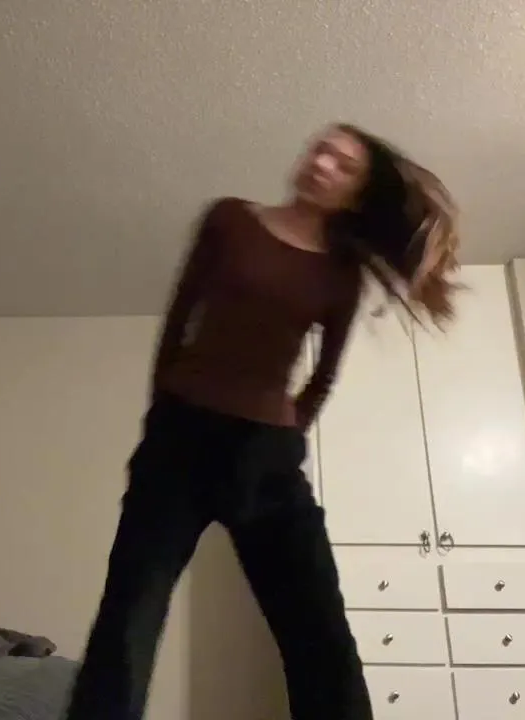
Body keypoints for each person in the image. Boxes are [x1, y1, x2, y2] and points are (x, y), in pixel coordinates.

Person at [64, 123, 461, 720]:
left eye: (344, 165)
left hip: (266, 456)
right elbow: (179, 319)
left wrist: (285, 434)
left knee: (318, 628)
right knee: (129, 613)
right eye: (321, 149)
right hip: (179, 440)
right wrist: (163, 413)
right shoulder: (229, 220)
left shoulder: (341, 273)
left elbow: (323, 374)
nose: (322, 163)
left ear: (356, 193)